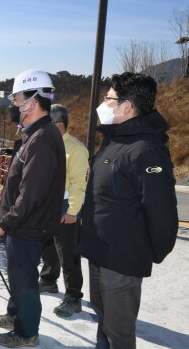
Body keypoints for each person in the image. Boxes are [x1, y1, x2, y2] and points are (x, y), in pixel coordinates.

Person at [80, 72, 178, 349]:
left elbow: (162, 214)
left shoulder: (146, 149)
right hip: (100, 250)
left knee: (119, 331)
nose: (104, 103)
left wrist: (147, 253)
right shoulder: (114, 139)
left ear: (126, 107)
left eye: (108, 98)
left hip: (122, 257)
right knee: (104, 319)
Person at [0, 69, 66, 348]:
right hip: (26, 222)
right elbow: (24, 178)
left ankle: (26, 332)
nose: (14, 105)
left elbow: (32, 193)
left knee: (25, 280)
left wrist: (5, 222)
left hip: (27, 224)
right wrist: (6, 189)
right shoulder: (35, 134)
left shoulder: (43, 138)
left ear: (32, 101)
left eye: (17, 98)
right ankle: (15, 315)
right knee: (18, 274)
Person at [38, 104, 89, 317]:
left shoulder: (76, 149)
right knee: (48, 247)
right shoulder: (46, 143)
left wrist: (73, 211)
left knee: (68, 252)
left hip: (65, 205)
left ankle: (73, 296)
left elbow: (79, 183)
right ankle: (49, 281)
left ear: (58, 125)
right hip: (47, 205)